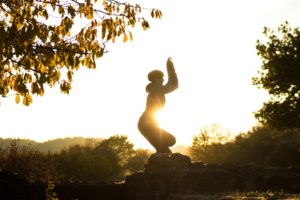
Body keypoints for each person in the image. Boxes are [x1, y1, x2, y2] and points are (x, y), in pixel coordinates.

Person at [138, 57, 178, 156]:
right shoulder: (157, 88)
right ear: (156, 79)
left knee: (163, 149)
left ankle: (162, 155)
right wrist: (170, 66)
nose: (163, 79)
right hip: (147, 124)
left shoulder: (154, 89)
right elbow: (174, 84)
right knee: (172, 140)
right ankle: (162, 155)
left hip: (144, 124)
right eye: (161, 77)